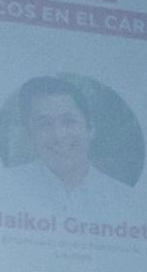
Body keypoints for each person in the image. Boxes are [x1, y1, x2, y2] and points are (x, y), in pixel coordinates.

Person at [18, 76, 132, 213]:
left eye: (69, 121)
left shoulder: (123, 197)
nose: (59, 135)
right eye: (45, 124)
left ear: (90, 129)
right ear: (30, 136)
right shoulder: (5, 185)